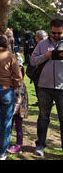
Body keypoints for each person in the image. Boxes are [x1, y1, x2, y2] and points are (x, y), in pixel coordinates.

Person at [30, 18, 63, 157]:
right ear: (50, 30)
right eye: (54, 33)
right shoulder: (42, 44)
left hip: (62, 88)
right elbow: (32, 61)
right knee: (43, 117)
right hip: (44, 87)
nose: (56, 35)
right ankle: (40, 145)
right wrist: (46, 56)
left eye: (59, 33)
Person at [7, 60, 29, 154]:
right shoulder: (13, 84)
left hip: (20, 110)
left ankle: (18, 145)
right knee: (9, 126)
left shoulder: (20, 85)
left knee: (18, 127)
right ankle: (6, 142)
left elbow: (19, 101)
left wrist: (11, 113)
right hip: (13, 109)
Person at [27, 30, 49, 107]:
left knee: (39, 86)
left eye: (36, 36)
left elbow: (35, 59)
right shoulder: (47, 44)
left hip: (40, 69)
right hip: (43, 70)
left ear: (38, 37)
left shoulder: (41, 44)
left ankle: (42, 101)